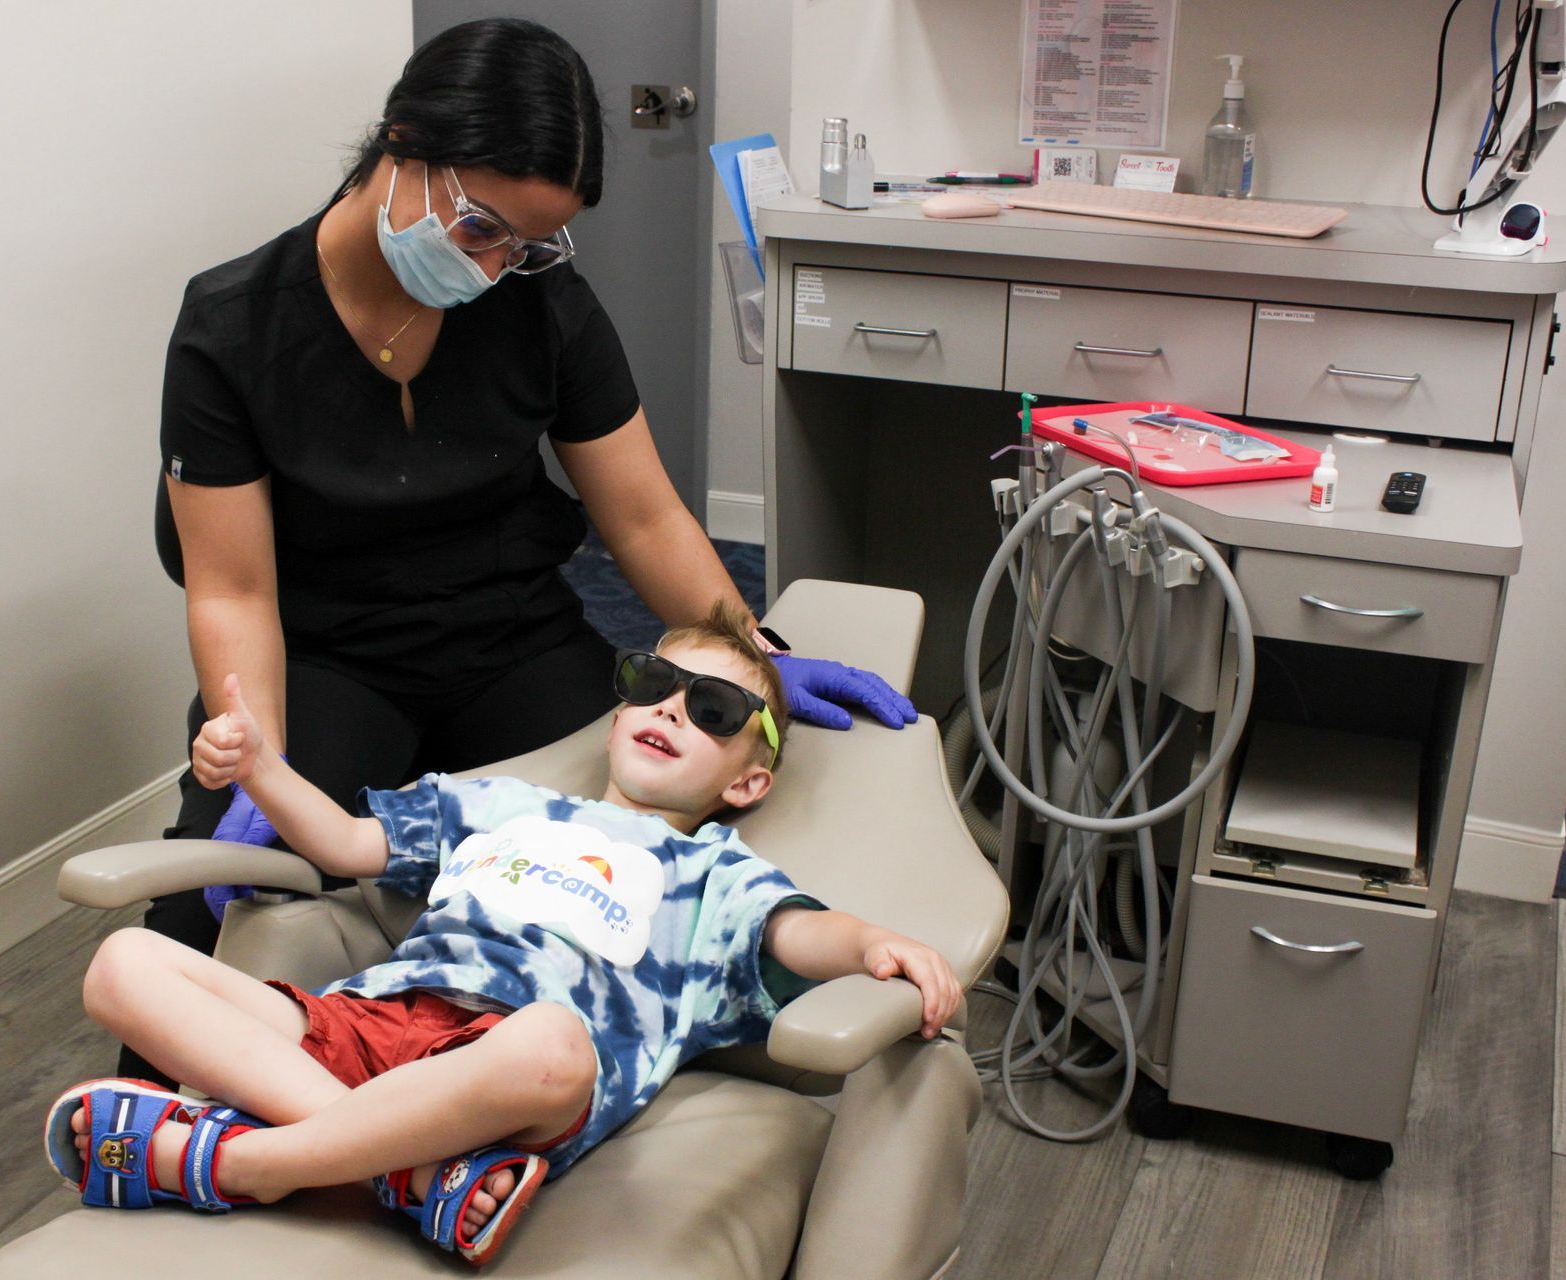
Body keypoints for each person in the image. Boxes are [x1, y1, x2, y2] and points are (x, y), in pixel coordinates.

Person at [140, 13, 917, 1080]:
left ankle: (596, 1088)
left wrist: (756, 652)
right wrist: (259, 753)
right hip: (326, 653)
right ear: (402, 147)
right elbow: (230, 589)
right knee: (210, 886)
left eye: (529, 243)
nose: (499, 266)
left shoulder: (541, 303)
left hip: (508, 636)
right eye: (480, 229)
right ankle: (148, 1129)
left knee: (653, 846)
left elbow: (644, 518)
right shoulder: (234, 328)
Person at [47, 606, 959, 1265]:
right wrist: (261, 766)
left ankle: (248, 1162)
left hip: (505, 1074)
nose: (675, 709)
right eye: (654, 685)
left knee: (555, 1045)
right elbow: (345, 844)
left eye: (714, 710)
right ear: (618, 714)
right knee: (124, 962)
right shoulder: (496, 806)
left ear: (748, 783)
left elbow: (799, 934)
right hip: (371, 1026)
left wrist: (876, 941)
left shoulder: (712, 872)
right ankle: (408, 1174)